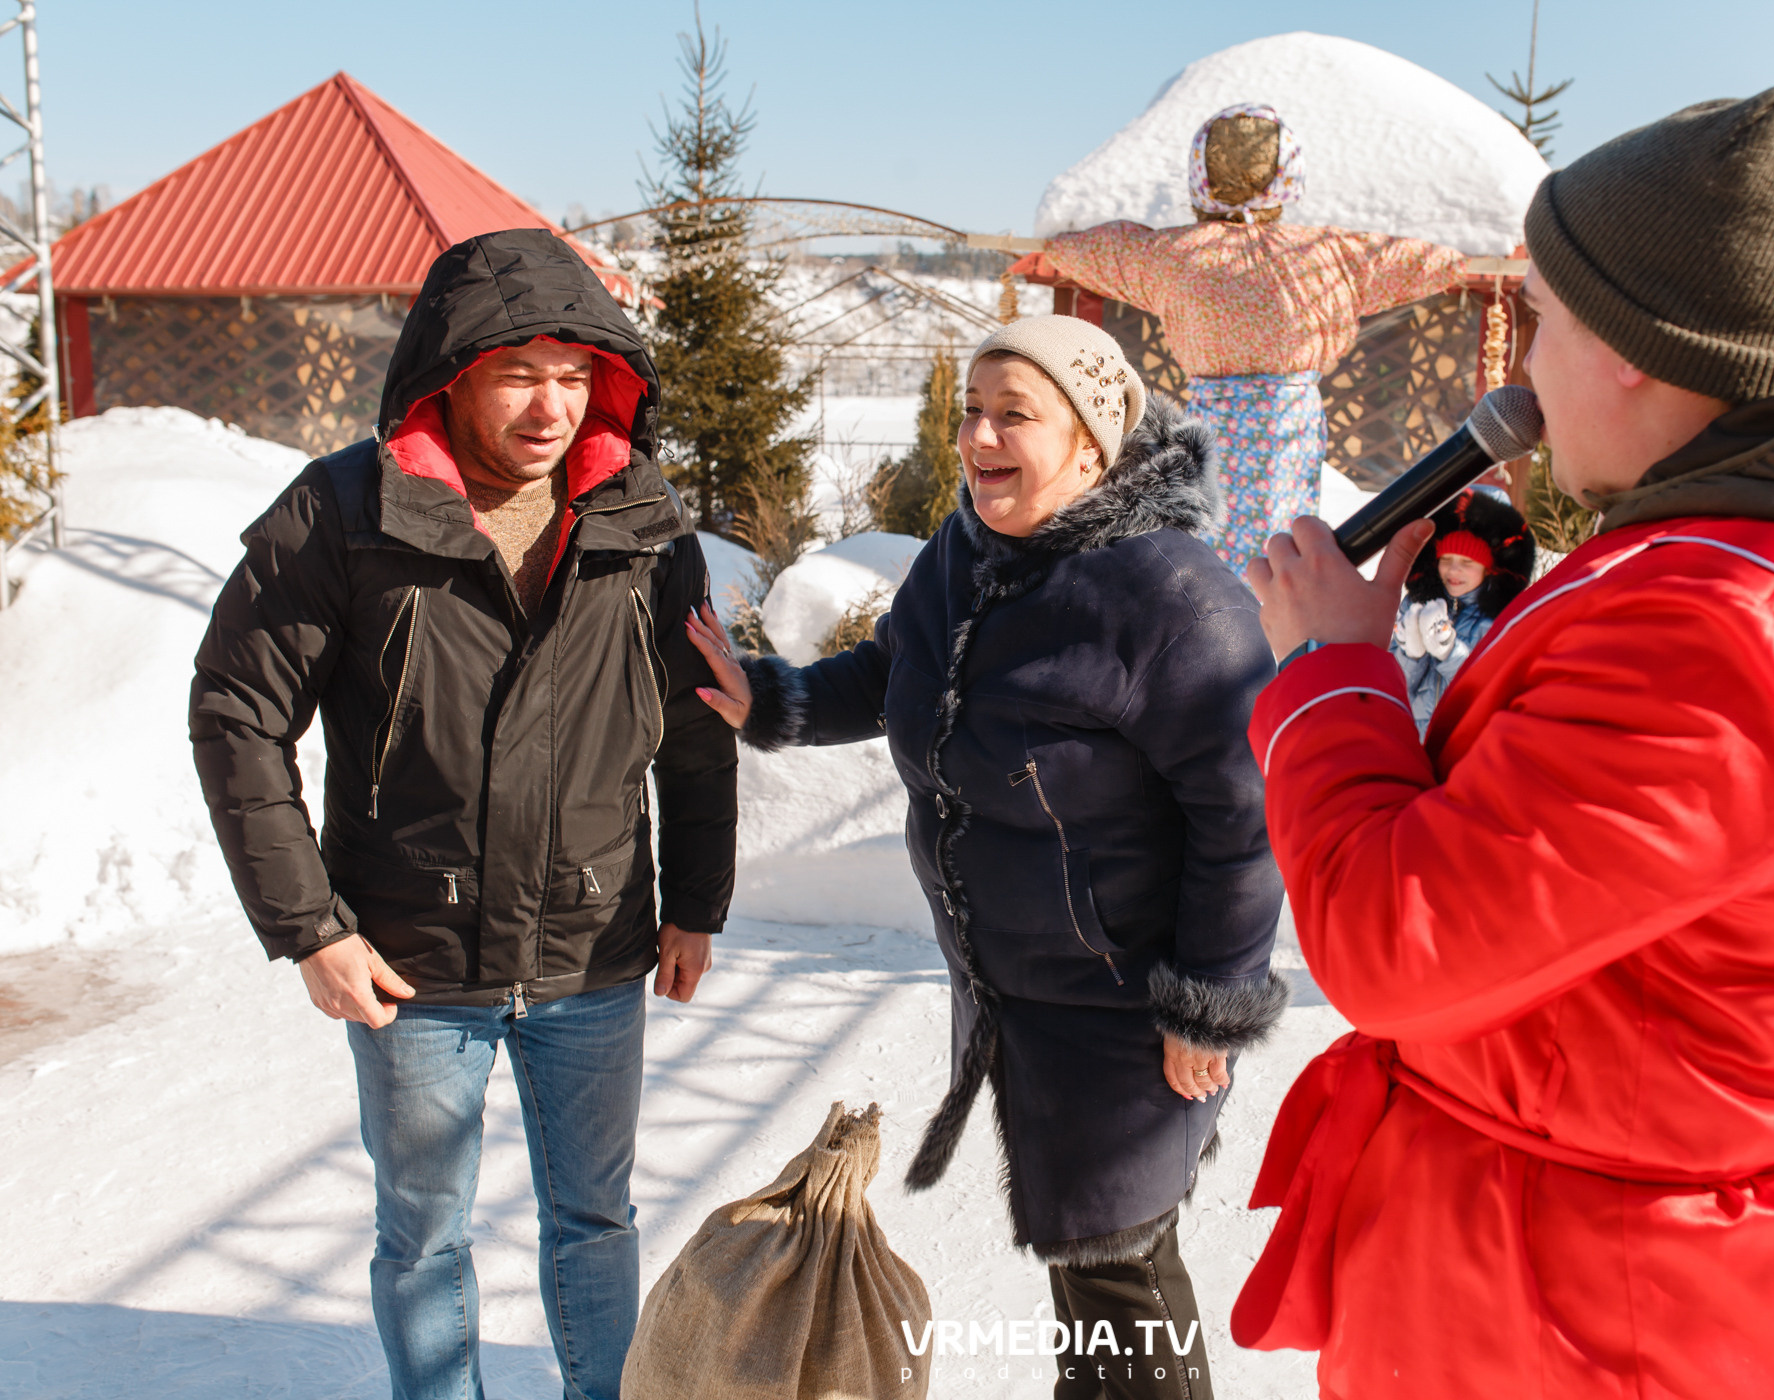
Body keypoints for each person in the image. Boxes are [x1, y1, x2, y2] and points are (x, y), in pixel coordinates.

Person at [1232, 65, 1774, 1398]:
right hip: (1587, 1280)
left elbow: (1396, 941)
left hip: (1589, 1319)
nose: (1519, 378)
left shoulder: (1725, 628)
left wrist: (1331, 673)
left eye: (1538, 322)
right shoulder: (1755, 566)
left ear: (1630, 348)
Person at [683, 314, 1286, 1400]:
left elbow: (1242, 815)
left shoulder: (1175, 598)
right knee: (1097, 1268)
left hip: (1125, 1005)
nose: (977, 435)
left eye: (1016, 414)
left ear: (1095, 443)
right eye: (972, 409)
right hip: (1018, 992)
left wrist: (1211, 1002)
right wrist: (769, 698)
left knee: (1121, 1280)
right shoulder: (971, 550)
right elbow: (895, 668)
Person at [190, 228, 736, 1400]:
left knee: (595, 1217)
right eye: (518, 371)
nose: (551, 404)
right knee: (423, 1236)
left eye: (576, 374)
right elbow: (237, 711)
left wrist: (695, 899)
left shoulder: (639, 519)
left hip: (593, 949)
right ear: (454, 372)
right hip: (410, 957)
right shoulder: (344, 509)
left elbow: (694, 722)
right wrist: (313, 927)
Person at [1041, 104, 1466, 573]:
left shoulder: (1174, 254)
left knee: (1211, 537)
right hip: (1290, 427)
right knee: (1284, 551)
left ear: (1200, 176)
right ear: (1288, 177)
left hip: (1213, 424)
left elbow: (1071, 248)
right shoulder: (1324, 255)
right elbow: (1438, 261)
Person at [1391, 488, 1533, 734]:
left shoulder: (1503, 620)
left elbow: (1491, 692)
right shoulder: (1417, 605)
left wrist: (1450, 654)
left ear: (1489, 568)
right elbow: (1395, 693)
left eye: (1467, 563)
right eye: (1446, 560)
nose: (1453, 571)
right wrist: (1411, 655)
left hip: (1465, 748)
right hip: (1413, 745)